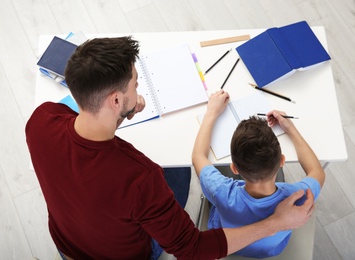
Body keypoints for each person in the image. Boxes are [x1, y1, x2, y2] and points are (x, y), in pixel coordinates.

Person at [26, 36, 315, 259]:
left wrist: (122, 111)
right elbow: (192, 250)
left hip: (68, 246)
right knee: (176, 169)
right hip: (127, 255)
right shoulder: (141, 178)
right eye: (135, 86)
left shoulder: (41, 120)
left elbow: (82, 127)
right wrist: (276, 222)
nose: (138, 91)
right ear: (114, 100)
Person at [192, 90, 325, 258]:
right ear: (282, 161)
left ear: (235, 168)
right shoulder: (296, 198)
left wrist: (211, 112)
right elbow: (317, 172)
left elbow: (198, 156)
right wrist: (290, 128)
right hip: (271, 250)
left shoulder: (221, 190)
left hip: (227, 243)